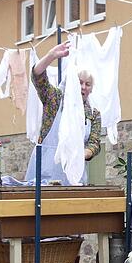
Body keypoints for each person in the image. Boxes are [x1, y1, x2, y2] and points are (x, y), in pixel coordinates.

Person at [25, 41, 101, 184]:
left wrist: (80, 155)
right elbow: (37, 77)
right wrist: (51, 56)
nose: (83, 87)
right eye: (79, 82)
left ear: (91, 89)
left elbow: (94, 143)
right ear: (71, 82)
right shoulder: (55, 99)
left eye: (88, 84)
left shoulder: (93, 114)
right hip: (45, 170)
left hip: (73, 172)